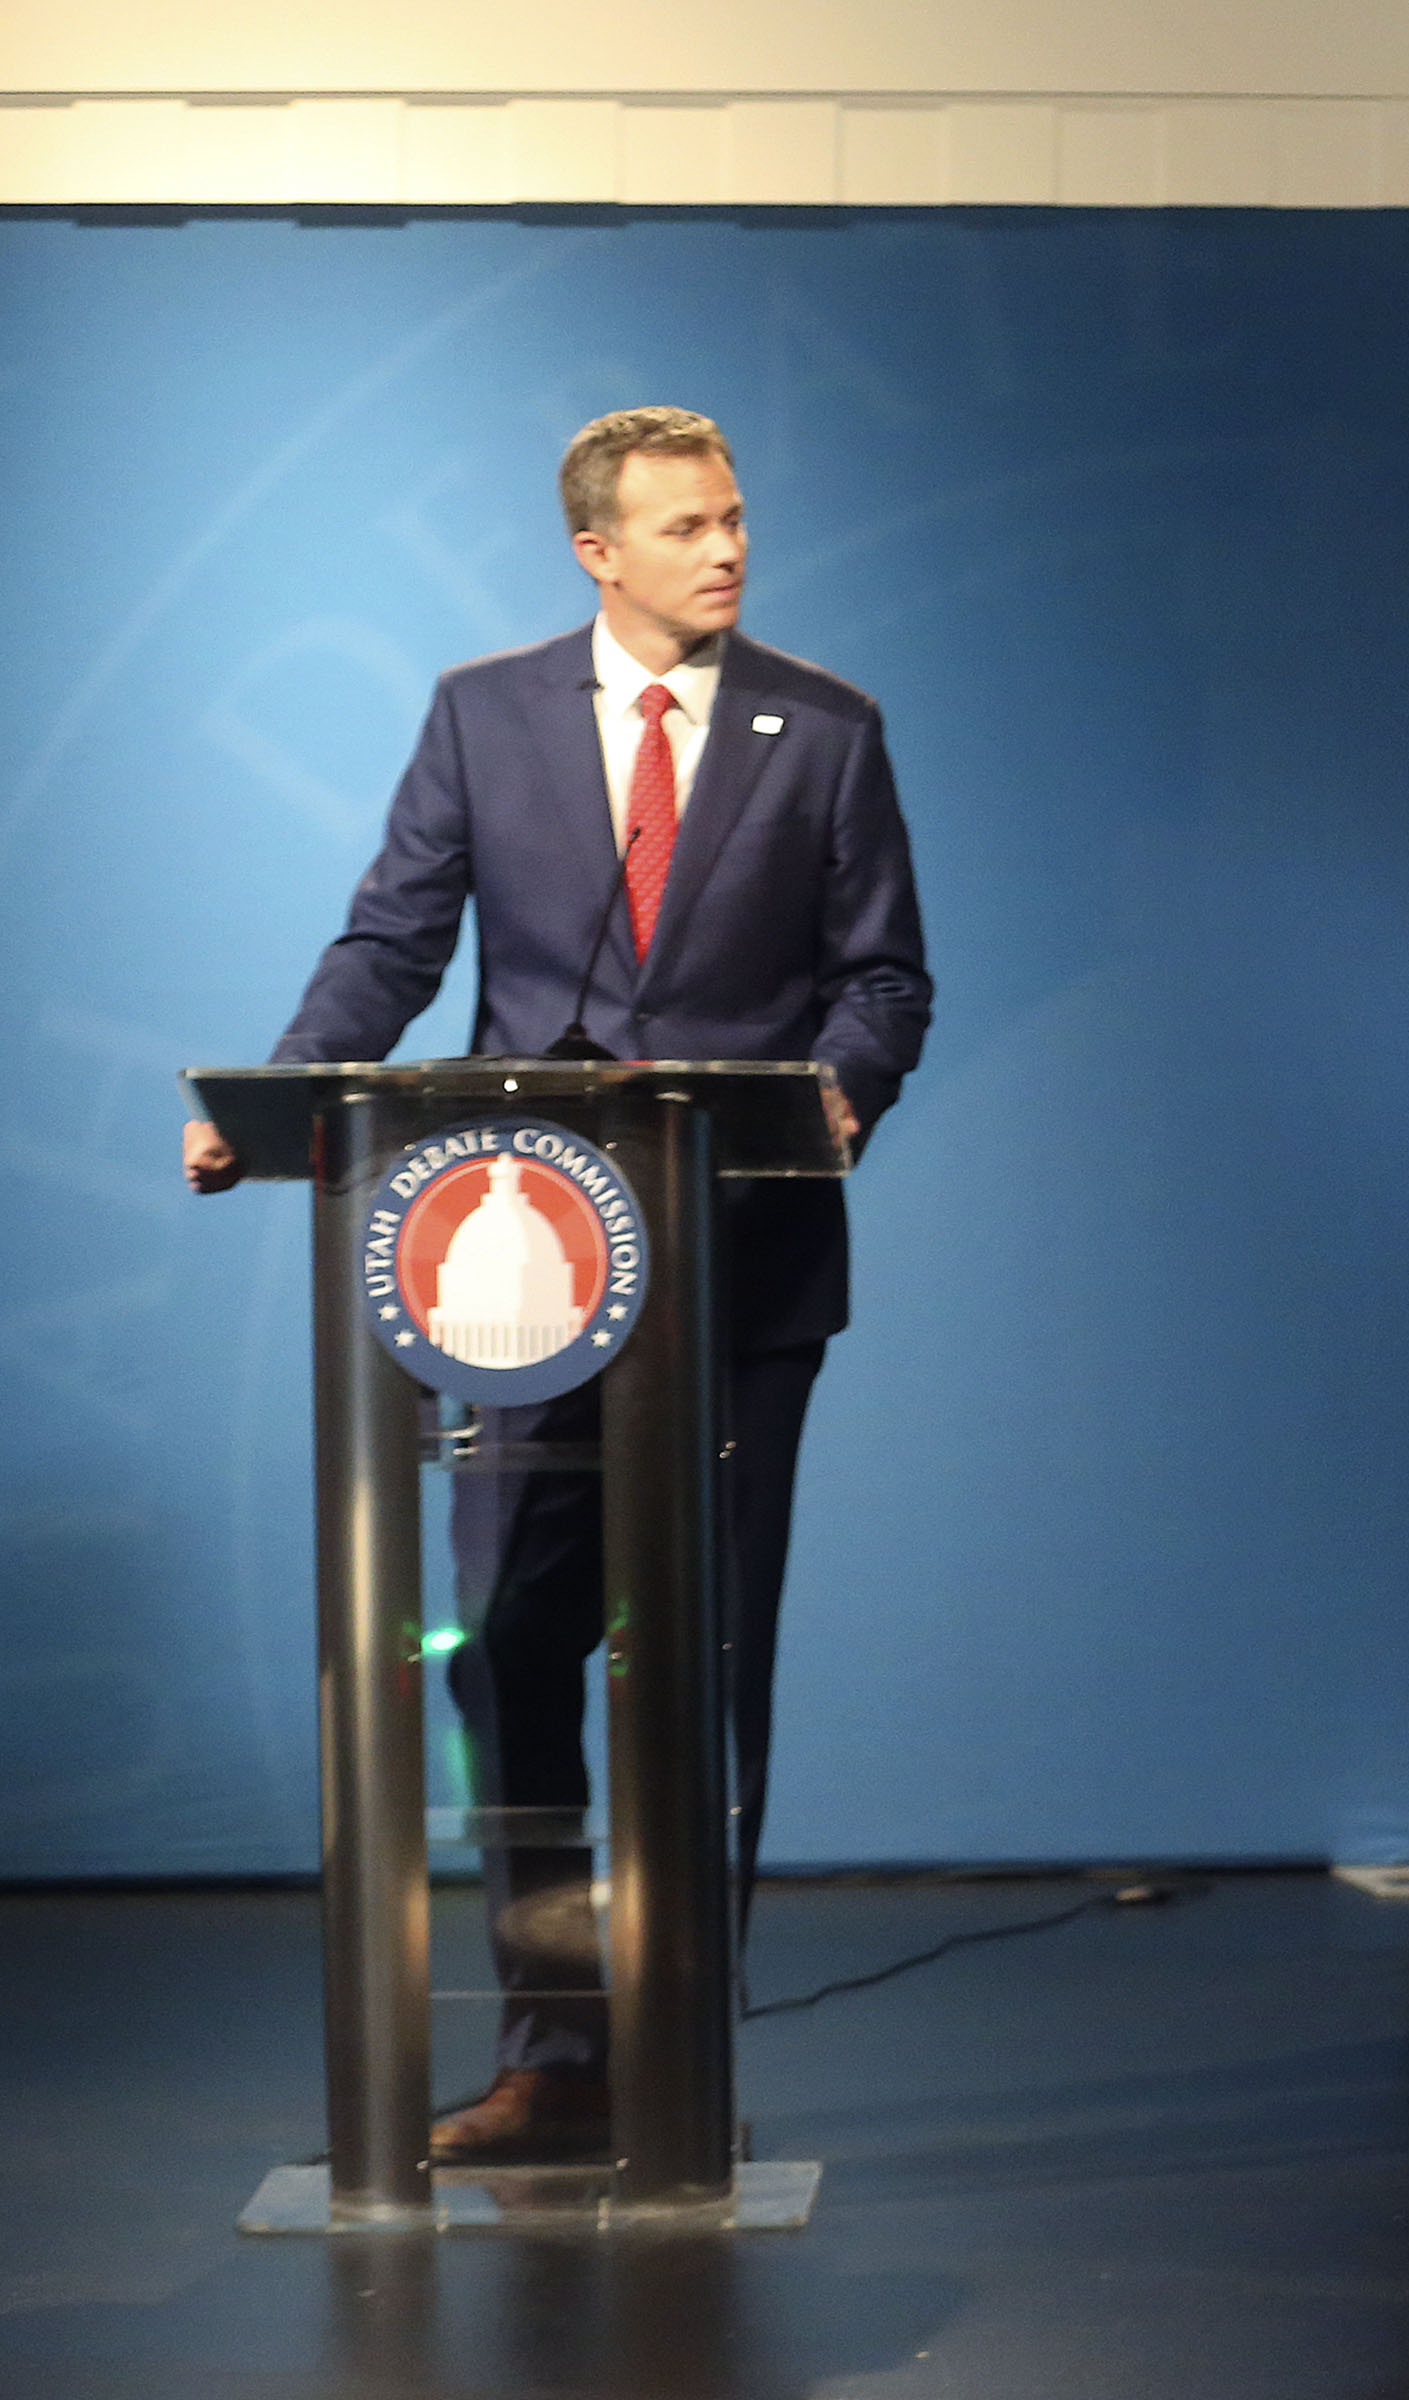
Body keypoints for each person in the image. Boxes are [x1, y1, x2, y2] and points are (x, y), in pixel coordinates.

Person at [185, 406, 932, 2162]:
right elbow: (395, 939)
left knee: (701, 1658)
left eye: (737, 518)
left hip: (742, 1263)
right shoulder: (483, 715)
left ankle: (679, 2056)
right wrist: (288, 1098)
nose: (728, 550)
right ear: (597, 551)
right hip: (524, 1263)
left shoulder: (826, 729)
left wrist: (836, 1089)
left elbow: (885, 976)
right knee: (511, 1646)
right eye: (687, 527)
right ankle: (553, 2054)